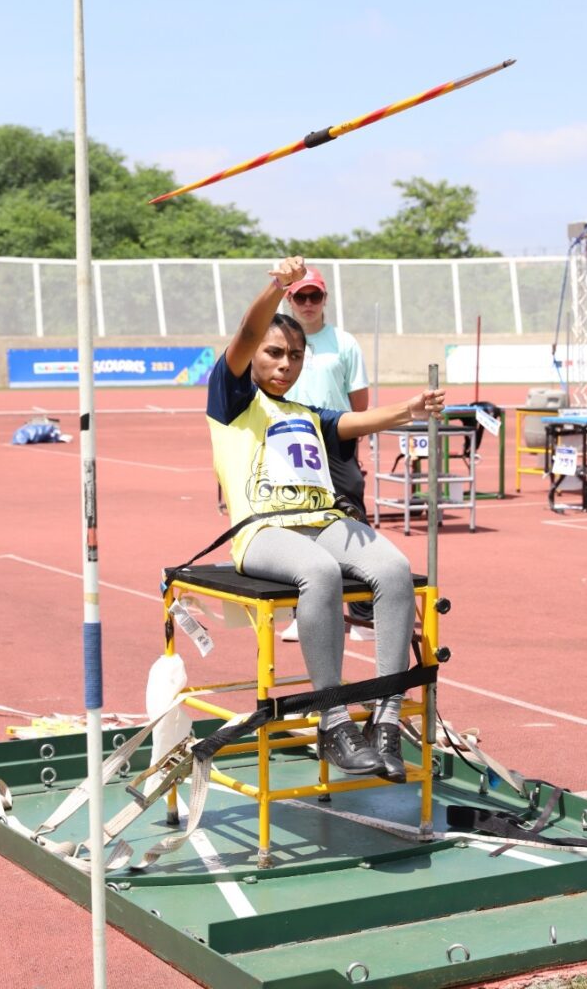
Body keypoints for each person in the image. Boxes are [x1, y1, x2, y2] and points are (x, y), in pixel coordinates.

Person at [206, 256, 445, 781]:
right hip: (263, 532)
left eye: (294, 356)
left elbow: (358, 420)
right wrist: (279, 286)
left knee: (394, 569)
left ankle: (384, 713)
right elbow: (248, 330)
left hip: (323, 521)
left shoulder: (307, 413)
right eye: (274, 354)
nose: (284, 364)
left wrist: (412, 408)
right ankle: (333, 718)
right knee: (320, 571)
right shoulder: (233, 400)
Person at [282, 265, 373, 642]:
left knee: (351, 515)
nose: (307, 303)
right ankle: (302, 613)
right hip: (289, 435)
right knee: (292, 519)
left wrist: (352, 441)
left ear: (324, 299)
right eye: (299, 296)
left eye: (313, 296)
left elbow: (359, 401)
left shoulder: (344, 342)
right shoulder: (280, 338)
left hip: (336, 437)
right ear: (289, 298)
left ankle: (364, 614)